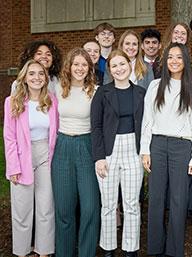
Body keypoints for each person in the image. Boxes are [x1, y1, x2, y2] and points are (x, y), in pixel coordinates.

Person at [140, 43, 192, 257]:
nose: (174, 61)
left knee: (178, 200)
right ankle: (155, 249)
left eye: (178, 57)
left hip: (182, 147)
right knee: (156, 199)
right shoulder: (155, 86)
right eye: (170, 57)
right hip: (157, 146)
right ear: (164, 61)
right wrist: (145, 151)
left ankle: (174, 251)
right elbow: (147, 120)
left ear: (185, 61)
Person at [91, 49, 146, 257]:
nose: (119, 68)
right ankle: (108, 248)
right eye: (114, 65)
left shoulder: (141, 93)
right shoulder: (102, 93)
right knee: (108, 204)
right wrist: (99, 158)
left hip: (134, 151)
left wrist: (145, 152)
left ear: (129, 65)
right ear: (110, 70)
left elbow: (146, 124)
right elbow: (95, 126)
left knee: (132, 203)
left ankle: (130, 249)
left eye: (122, 64)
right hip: (108, 152)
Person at [4, 60, 58, 257]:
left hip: (46, 155)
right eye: (32, 74)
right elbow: (9, 137)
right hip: (21, 156)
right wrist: (13, 167)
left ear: (45, 78)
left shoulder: (51, 100)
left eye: (41, 74)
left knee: (46, 206)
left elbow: (55, 132)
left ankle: (44, 251)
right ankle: (22, 251)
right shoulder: (13, 101)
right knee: (22, 208)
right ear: (25, 78)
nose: (37, 78)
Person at [51, 48, 100, 257]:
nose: (79, 68)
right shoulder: (57, 90)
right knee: (64, 209)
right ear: (68, 67)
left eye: (84, 64)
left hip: (87, 146)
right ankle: (64, 252)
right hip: (62, 148)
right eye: (76, 64)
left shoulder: (96, 91)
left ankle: (86, 252)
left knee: (90, 207)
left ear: (89, 67)